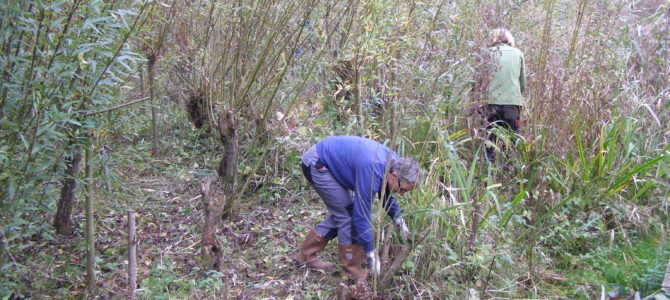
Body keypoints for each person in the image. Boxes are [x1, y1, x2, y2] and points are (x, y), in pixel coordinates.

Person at [295, 136, 423, 280]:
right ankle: (351, 272)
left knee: (346, 211)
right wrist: (371, 254)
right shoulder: (373, 169)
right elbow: (361, 215)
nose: (401, 194)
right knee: (349, 217)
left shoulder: (395, 164)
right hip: (318, 163)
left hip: (333, 162)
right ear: (393, 176)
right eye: (403, 189)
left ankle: (306, 256)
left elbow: (385, 194)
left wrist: (400, 222)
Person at [484, 28, 526, 163]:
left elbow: (478, 83)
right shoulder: (518, 54)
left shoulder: (487, 54)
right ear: (509, 39)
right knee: (512, 139)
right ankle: (509, 170)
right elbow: (522, 84)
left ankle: (489, 170)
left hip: (491, 104)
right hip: (512, 105)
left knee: (490, 139)